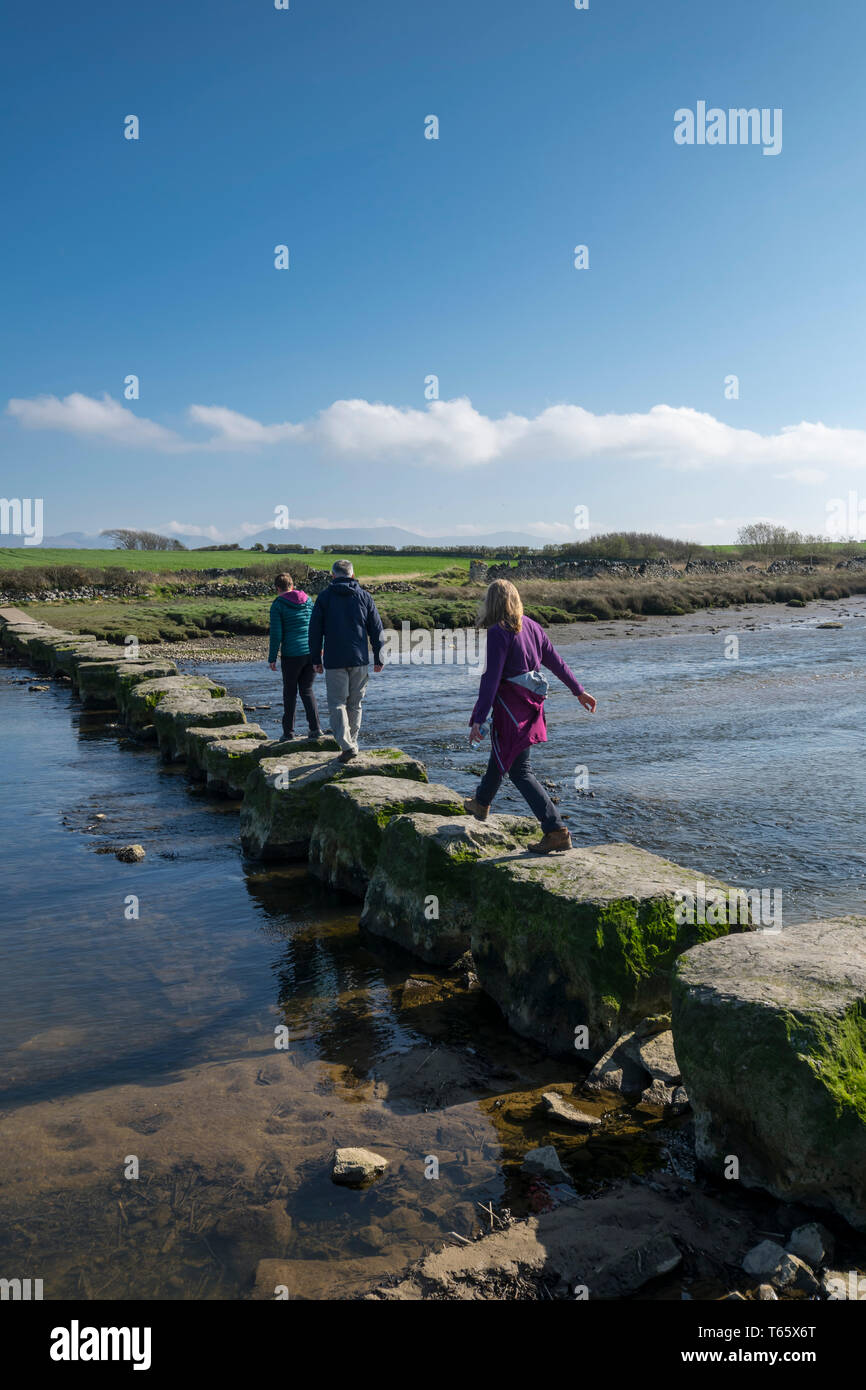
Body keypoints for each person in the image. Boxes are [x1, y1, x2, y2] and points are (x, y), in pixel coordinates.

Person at [465, 578, 597, 853]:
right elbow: (557, 662)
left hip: (512, 710)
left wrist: (478, 718)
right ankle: (481, 802)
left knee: (519, 770)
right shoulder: (533, 627)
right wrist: (579, 691)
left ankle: (556, 829)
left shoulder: (498, 632)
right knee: (503, 753)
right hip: (531, 708)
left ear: (493, 603)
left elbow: (490, 680)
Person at [308, 559, 384, 763]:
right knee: (355, 704)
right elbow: (377, 629)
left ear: (333, 576)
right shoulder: (365, 596)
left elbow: (315, 631)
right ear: (352, 574)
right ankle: (352, 744)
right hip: (359, 659)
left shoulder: (324, 597)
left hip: (334, 659)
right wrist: (379, 656)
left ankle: (347, 745)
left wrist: (316, 658)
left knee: (337, 703)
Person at [267, 572, 324, 740]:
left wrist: (272, 657)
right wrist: (320, 648)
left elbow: (276, 634)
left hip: (292, 654)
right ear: (292, 585)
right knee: (307, 690)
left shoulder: (278, 604)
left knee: (290, 693)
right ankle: (315, 729)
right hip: (311, 652)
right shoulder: (308, 600)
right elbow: (317, 625)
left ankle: (288, 733)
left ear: (278, 588)